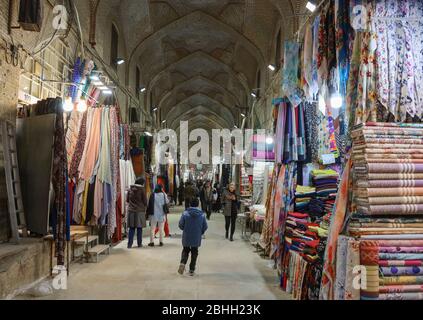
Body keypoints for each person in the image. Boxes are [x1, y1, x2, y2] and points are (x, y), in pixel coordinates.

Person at [178, 198, 208, 276]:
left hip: (187, 235)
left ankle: (182, 262)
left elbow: (181, 225)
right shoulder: (202, 214)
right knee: (194, 251)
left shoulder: (185, 213)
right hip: (196, 236)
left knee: (185, 250)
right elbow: (205, 226)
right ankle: (191, 269)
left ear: (190, 204)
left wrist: (185, 229)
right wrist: (200, 232)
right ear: (198, 204)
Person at [126, 177, 148, 248]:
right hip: (140, 211)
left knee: (131, 228)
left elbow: (127, 200)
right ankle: (139, 244)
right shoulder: (142, 190)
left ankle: (129, 244)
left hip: (131, 211)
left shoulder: (130, 189)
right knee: (139, 228)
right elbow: (145, 201)